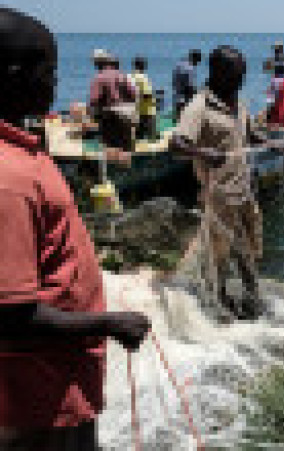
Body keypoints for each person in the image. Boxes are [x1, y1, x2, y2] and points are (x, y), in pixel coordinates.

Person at [0, 7, 150, 450]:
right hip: (39, 400)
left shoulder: (19, 154)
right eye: (50, 72)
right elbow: (10, 316)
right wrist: (110, 322)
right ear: (15, 74)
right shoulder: (9, 178)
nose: (55, 84)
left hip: (51, 390)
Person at [169, 45, 272, 321]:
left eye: (243, 74)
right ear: (218, 73)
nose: (242, 80)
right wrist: (204, 153)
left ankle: (253, 300)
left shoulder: (239, 102)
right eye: (237, 74)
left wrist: (275, 144)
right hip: (218, 197)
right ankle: (221, 307)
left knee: (250, 247)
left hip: (244, 192)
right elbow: (176, 144)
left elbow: (249, 135)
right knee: (220, 256)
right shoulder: (199, 106)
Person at [89, 51, 137, 153]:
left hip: (113, 116)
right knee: (127, 144)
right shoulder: (122, 75)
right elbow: (133, 94)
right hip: (129, 113)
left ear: (98, 64)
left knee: (110, 144)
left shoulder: (100, 77)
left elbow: (94, 100)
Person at [129, 56, 157, 141]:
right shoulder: (143, 78)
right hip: (147, 111)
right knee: (151, 137)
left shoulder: (129, 77)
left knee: (137, 137)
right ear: (143, 66)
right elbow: (147, 94)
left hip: (135, 110)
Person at [172, 49, 202, 118]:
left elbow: (174, 82)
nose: (197, 64)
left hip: (176, 98)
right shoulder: (189, 69)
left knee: (177, 122)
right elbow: (189, 87)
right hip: (184, 100)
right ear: (195, 59)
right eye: (197, 62)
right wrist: (198, 93)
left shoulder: (179, 65)